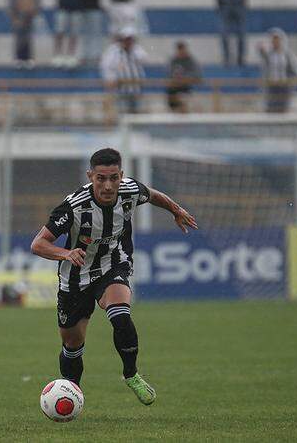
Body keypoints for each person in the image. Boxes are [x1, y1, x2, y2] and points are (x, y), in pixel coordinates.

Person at [31, 148, 197, 405]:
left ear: (121, 175)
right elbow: (38, 244)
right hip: (75, 277)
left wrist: (176, 210)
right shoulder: (74, 206)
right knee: (72, 344)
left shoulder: (130, 190)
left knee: (120, 314)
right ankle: (72, 393)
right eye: (100, 178)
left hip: (113, 264)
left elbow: (153, 195)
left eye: (113, 178)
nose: (108, 185)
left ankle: (131, 374)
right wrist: (65, 254)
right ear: (90, 176)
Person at [100, 27, 148, 114]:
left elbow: (144, 58)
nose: (128, 42)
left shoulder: (136, 50)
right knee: (123, 115)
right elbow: (106, 67)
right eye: (126, 39)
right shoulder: (113, 51)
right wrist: (110, 80)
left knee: (137, 115)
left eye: (130, 39)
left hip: (136, 88)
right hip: (121, 89)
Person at [257, 28, 297, 113]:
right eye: (273, 40)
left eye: (277, 39)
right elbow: (265, 65)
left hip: (284, 86)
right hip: (271, 86)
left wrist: (294, 80)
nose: (275, 42)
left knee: (283, 110)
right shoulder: (269, 54)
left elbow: (296, 69)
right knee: (270, 109)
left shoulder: (287, 55)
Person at [7, 0, 40, 68]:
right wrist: (12, 12)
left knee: (28, 36)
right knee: (19, 36)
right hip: (19, 11)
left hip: (30, 11)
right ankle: (19, 58)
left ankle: (28, 58)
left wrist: (37, 8)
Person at [167, 41, 202, 113]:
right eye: (180, 50)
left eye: (183, 50)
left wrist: (185, 77)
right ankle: (175, 111)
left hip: (187, 86)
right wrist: (176, 77)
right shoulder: (174, 60)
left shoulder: (190, 60)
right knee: (171, 91)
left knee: (183, 96)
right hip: (175, 86)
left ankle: (184, 110)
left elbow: (197, 74)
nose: (181, 52)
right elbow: (169, 73)